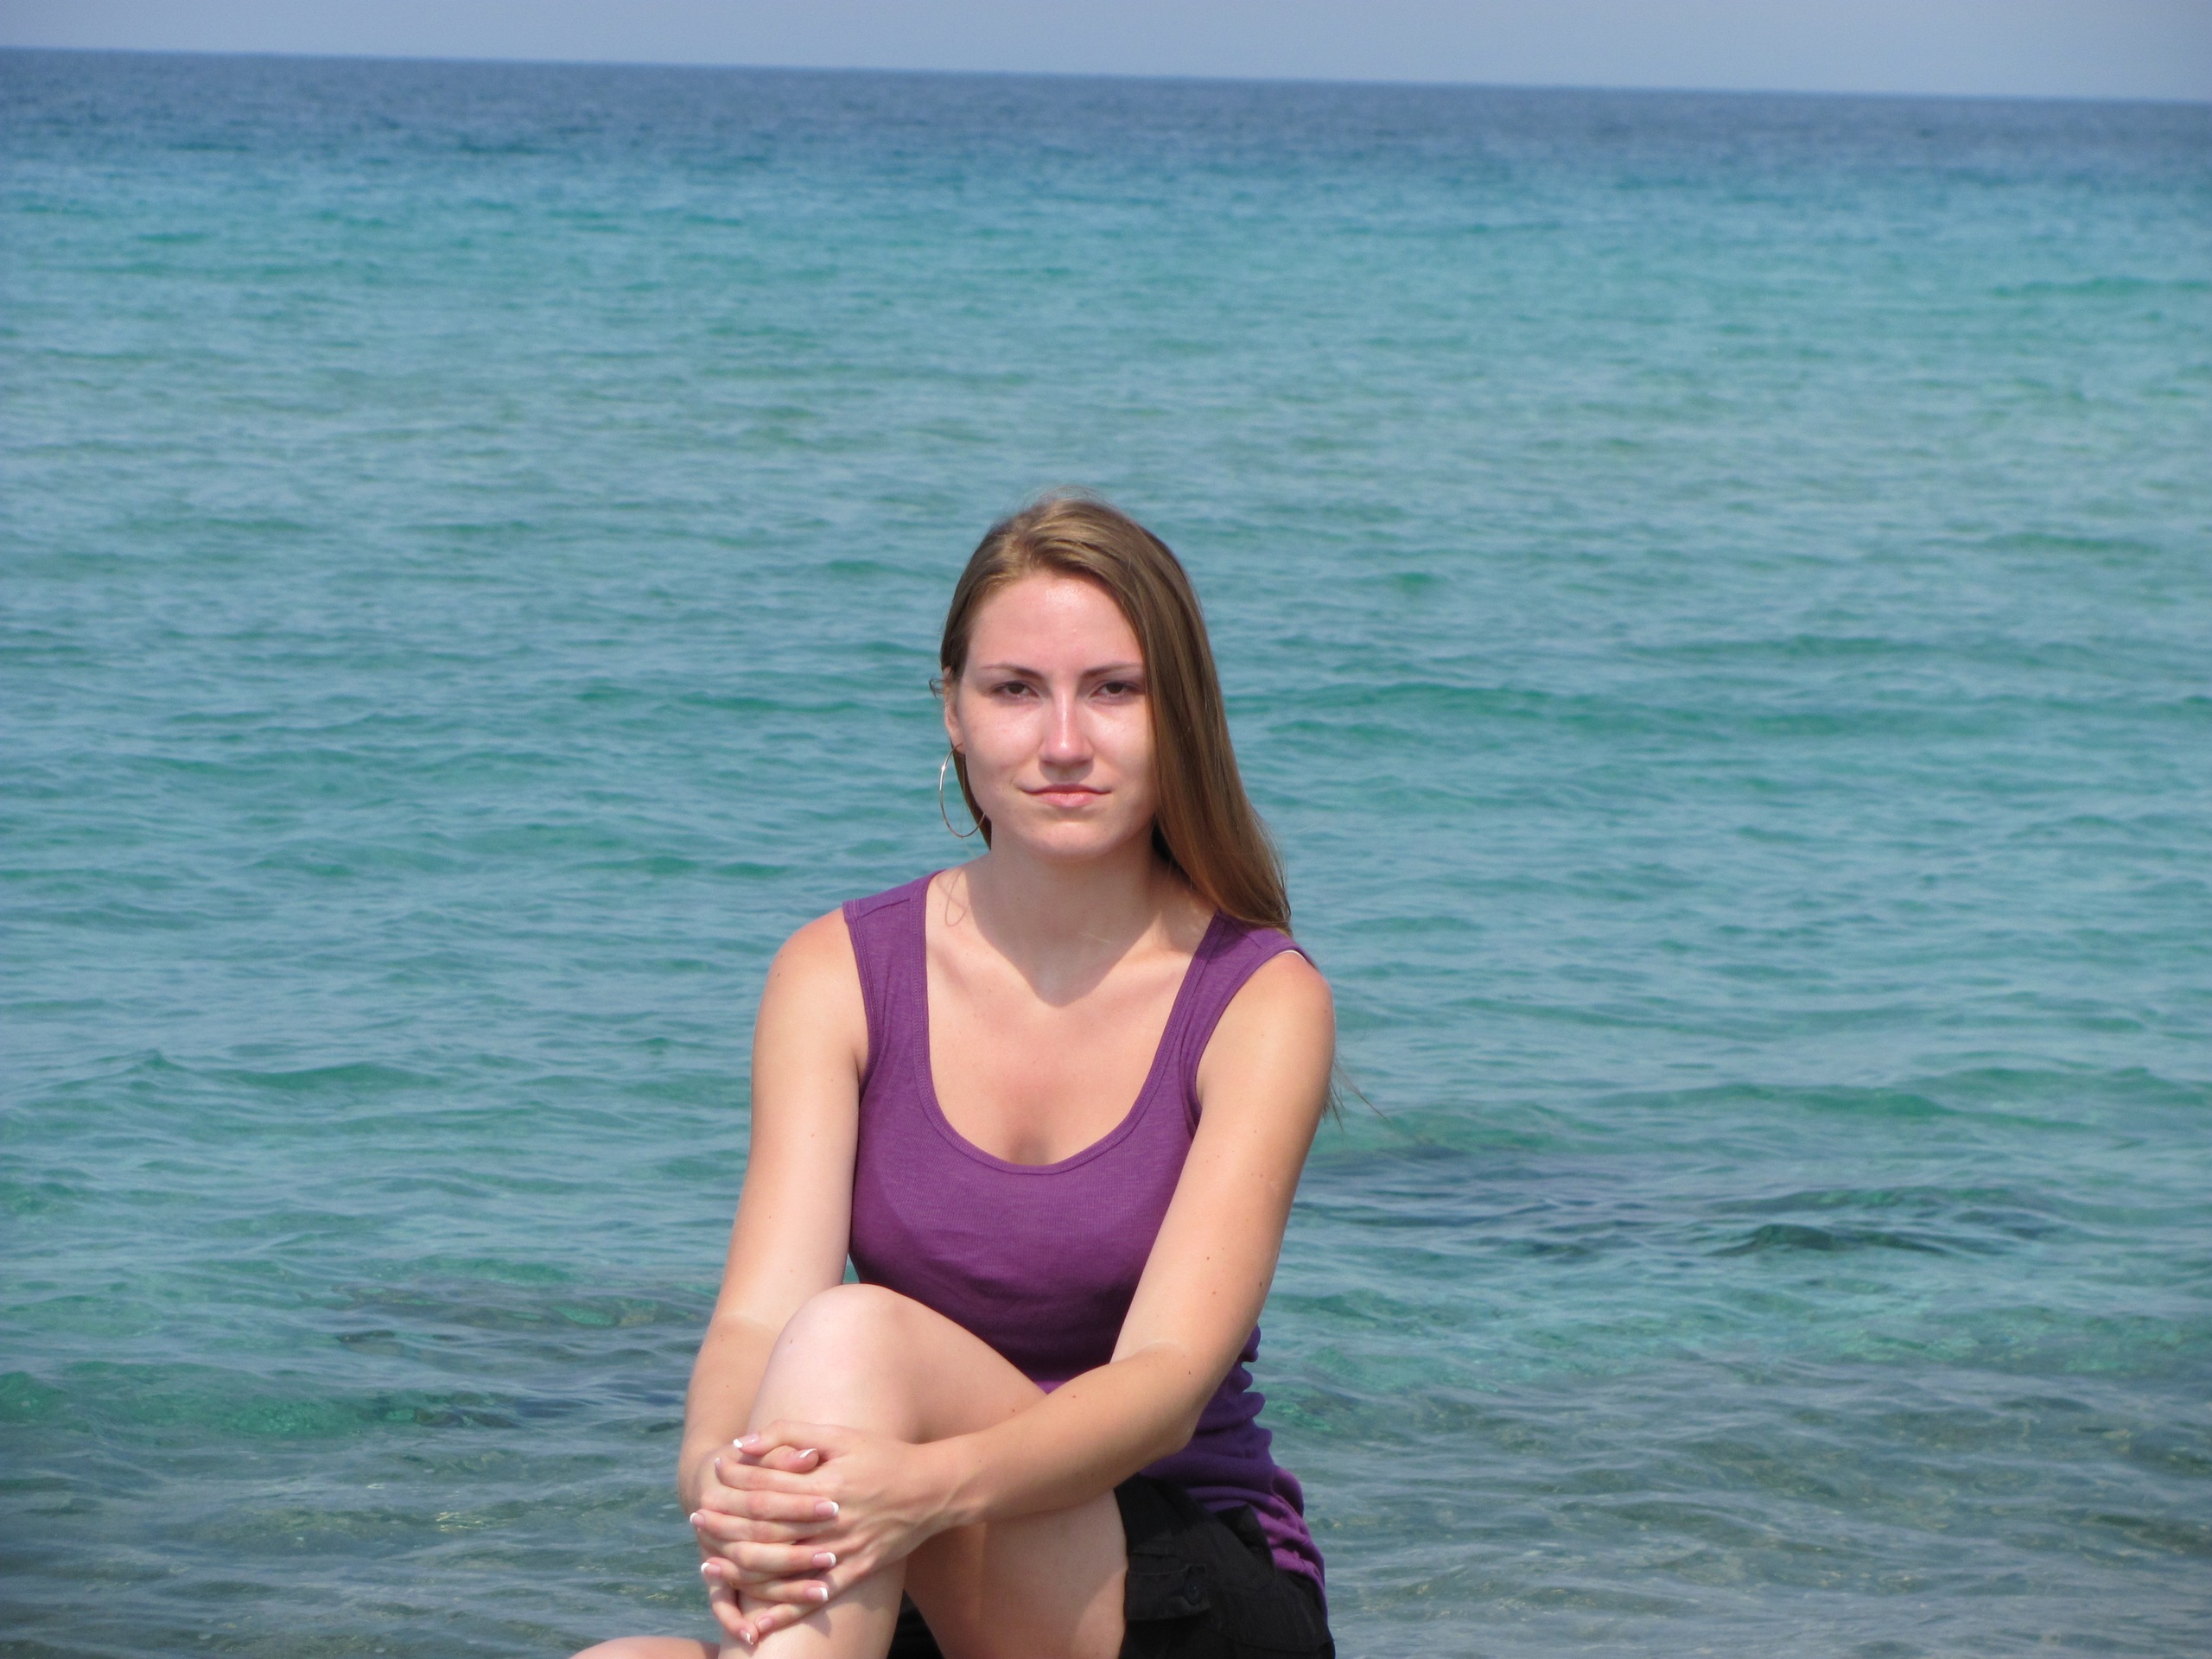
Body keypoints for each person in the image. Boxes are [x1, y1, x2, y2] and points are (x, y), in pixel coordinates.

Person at [576, 494, 1336, 1659]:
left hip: (1169, 1573)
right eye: (1015, 690)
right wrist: (719, 1479)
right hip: (916, 1549)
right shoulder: (836, 974)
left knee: (856, 1338)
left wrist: (926, 1490)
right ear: (953, 711)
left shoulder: (1257, 998)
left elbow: (1167, 1383)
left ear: (1180, 714)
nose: (1064, 742)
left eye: (1113, 691)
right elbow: (755, 1319)